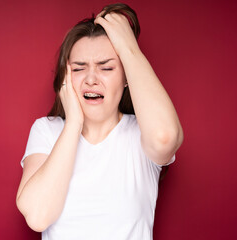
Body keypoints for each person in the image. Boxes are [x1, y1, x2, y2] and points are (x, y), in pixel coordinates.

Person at [16, 3, 184, 239]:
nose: (91, 79)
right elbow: (37, 216)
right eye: (79, 68)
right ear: (66, 76)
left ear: (126, 76)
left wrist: (128, 46)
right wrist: (74, 122)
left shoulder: (142, 133)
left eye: (106, 68)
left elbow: (166, 137)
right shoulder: (46, 131)